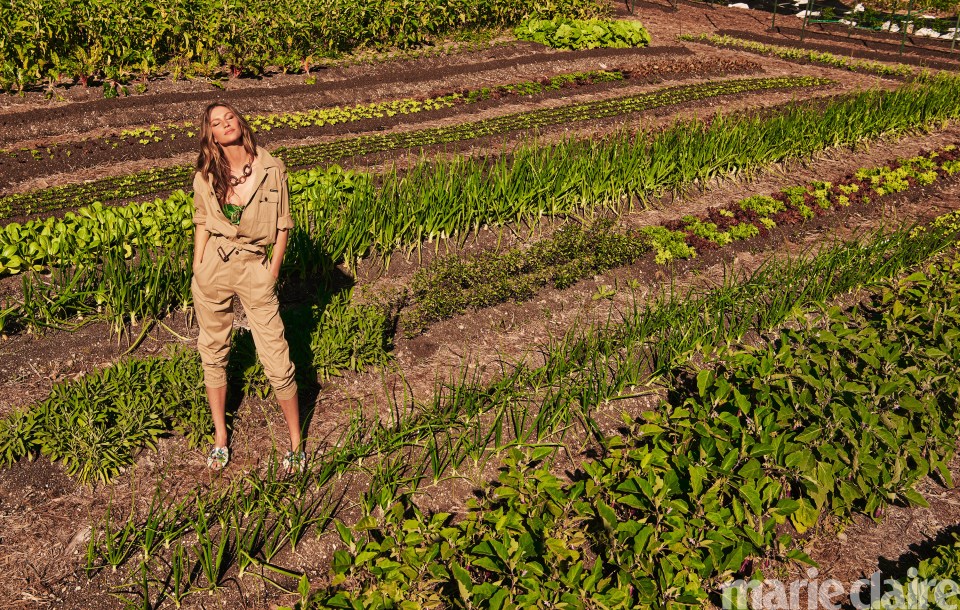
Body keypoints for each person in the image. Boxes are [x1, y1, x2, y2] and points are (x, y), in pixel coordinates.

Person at [191, 101, 304, 473]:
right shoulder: (206, 173)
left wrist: (272, 270)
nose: (225, 124)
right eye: (216, 123)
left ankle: (296, 442)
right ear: (211, 135)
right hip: (215, 266)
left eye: (229, 117)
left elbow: (284, 224)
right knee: (213, 349)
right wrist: (197, 265)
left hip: (255, 266)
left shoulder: (272, 168)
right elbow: (202, 220)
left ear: (240, 122)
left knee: (276, 355)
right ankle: (221, 436)